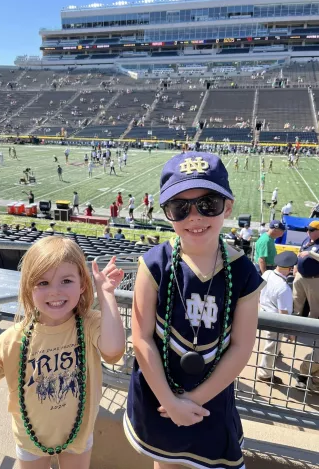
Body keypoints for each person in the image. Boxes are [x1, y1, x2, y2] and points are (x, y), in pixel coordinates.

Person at [124, 152, 264, 469]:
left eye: (208, 204)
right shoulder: (153, 264)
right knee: (165, 462)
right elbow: (142, 338)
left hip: (210, 399)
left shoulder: (243, 273)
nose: (195, 217)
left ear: (228, 207)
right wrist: (170, 402)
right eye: (180, 208)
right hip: (159, 396)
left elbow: (242, 347)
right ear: (167, 214)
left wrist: (192, 401)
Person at [0, 236, 125, 468]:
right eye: (43, 283)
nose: (55, 292)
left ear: (83, 284)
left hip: (78, 436)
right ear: (28, 287)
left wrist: (106, 293)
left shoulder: (90, 324)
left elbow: (114, 350)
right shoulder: (13, 338)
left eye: (66, 280)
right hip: (31, 442)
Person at [257, 251, 297, 385]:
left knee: (270, 345)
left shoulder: (267, 273)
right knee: (271, 347)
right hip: (275, 320)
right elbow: (283, 314)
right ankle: (265, 374)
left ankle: (276, 355)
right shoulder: (284, 288)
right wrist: (290, 333)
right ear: (290, 268)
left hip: (264, 312)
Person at [293, 223, 319, 392]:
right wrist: (296, 268)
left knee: (315, 307)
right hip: (301, 276)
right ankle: (292, 328)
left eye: (311, 230)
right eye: (308, 229)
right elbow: (299, 254)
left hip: (315, 280)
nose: (308, 232)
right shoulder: (307, 239)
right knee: (296, 302)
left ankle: (311, 332)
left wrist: (310, 253)